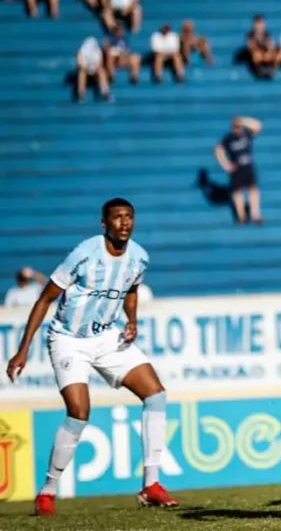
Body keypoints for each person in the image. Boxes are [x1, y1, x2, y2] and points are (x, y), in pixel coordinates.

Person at [5, 199, 178, 516]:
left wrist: (133, 321)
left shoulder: (139, 257)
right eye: (117, 217)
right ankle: (48, 490)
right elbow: (45, 299)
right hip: (68, 339)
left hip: (107, 336)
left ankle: (150, 485)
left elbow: (132, 291)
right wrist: (23, 348)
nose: (124, 222)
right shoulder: (84, 253)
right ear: (104, 224)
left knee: (156, 395)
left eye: (129, 216)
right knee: (79, 412)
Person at [214, 116, 263, 224]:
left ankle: (256, 215)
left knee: (253, 190)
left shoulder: (246, 134)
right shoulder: (228, 138)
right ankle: (241, 217)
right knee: (237, 192)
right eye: (235, 127)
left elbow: (258, 126)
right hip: (236, 169)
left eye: (239, 127)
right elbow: (217, 150)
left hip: (248, 167)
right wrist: (225, 164)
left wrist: (244, 120)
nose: (237, 129)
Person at [76, 36, 111, 103]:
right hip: (85, 71)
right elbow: (80, 64)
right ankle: (81, 95)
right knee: (82, 73)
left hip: (94, 73)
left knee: (101, 72)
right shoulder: (81, 51)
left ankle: (105, 93)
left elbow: (99, 64)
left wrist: (94, 68)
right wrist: (86, 68)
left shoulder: (98, 52)